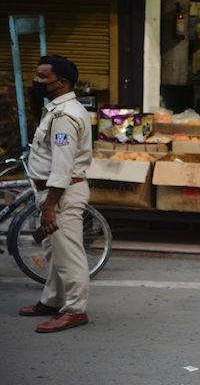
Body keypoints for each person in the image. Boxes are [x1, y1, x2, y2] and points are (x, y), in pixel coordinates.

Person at [18, 55, 93, 333]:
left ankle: (75, 310)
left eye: (42, 77)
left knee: (68, 255)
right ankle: (52, 301)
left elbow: (62, 167)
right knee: (54, 253)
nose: (36, 81)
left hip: (61, 195)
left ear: (60, 83)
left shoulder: (64, 117)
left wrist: (49, 206)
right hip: (52, 194)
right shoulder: (55, 109)